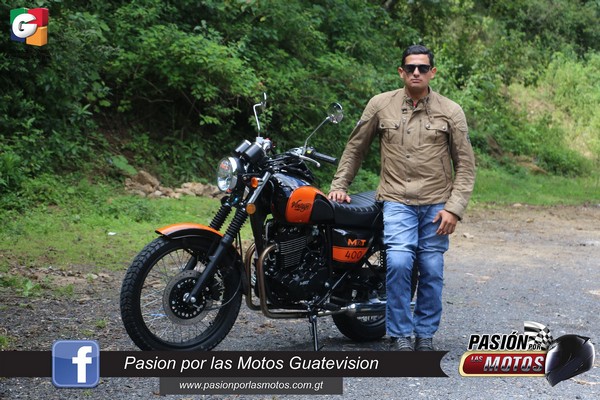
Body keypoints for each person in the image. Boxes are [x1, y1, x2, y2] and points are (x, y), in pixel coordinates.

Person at [328, 44, 476, 351]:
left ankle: (425, 335)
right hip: (396, 200)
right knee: (398, 262)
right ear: (401, 72)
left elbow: (465, 164)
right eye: (410, 68)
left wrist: (454, 209)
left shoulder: (451, 111)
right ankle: (400, 335)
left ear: (432, 72)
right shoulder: (381, 105)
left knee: (431, 269)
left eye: (423, 68)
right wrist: (340, 184)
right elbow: (355, 147)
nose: (416, 73)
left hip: (437, 205)